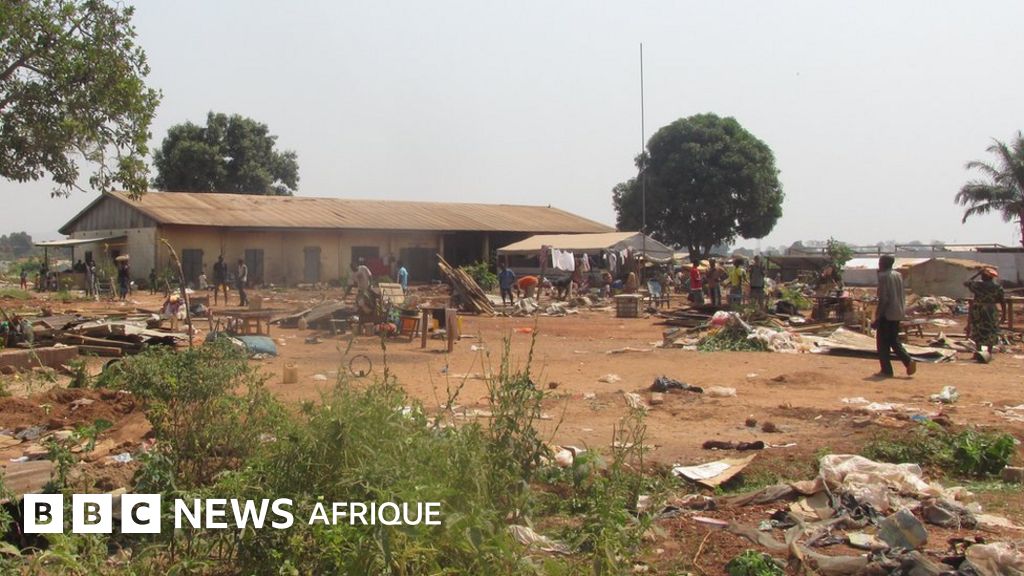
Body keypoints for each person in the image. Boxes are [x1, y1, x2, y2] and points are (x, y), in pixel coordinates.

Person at [873, 255, 916, 377]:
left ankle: (886, 370)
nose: (879, 264)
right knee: (893, 340)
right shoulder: (898, 275)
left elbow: (884, 299)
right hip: (897, 312)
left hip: (887, 313)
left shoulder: (884, 277)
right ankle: (908, 361)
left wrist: (878, 316)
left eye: (880, 262)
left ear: (883, 263)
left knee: (882, 343)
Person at [965, 267, 1004, 355]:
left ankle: (979, 351)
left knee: (978, 328)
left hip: (978, 309)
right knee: (991, 329)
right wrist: (1004, 315)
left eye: (983, 275)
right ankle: (989, 352)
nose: (982, 277)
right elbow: (1002, 301)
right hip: (991, 310)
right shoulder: (997, 287)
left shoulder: (977, 285)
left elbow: (966, 282)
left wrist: (977, 274)